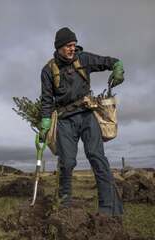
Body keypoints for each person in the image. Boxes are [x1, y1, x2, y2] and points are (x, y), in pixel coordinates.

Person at [40, 27, 124, 216]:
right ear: (59, 47)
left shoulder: (83, 59)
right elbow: (46, 100)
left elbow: (109, 62)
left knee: (97, 156)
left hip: (87, 115)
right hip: (64, 120)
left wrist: (118, 67)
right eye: (68, 46)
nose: (72, 49)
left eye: (74, 45)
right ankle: (64, 207)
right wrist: (45, 122)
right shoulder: (48, 70)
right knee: (67, 162)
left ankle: (109, 210)